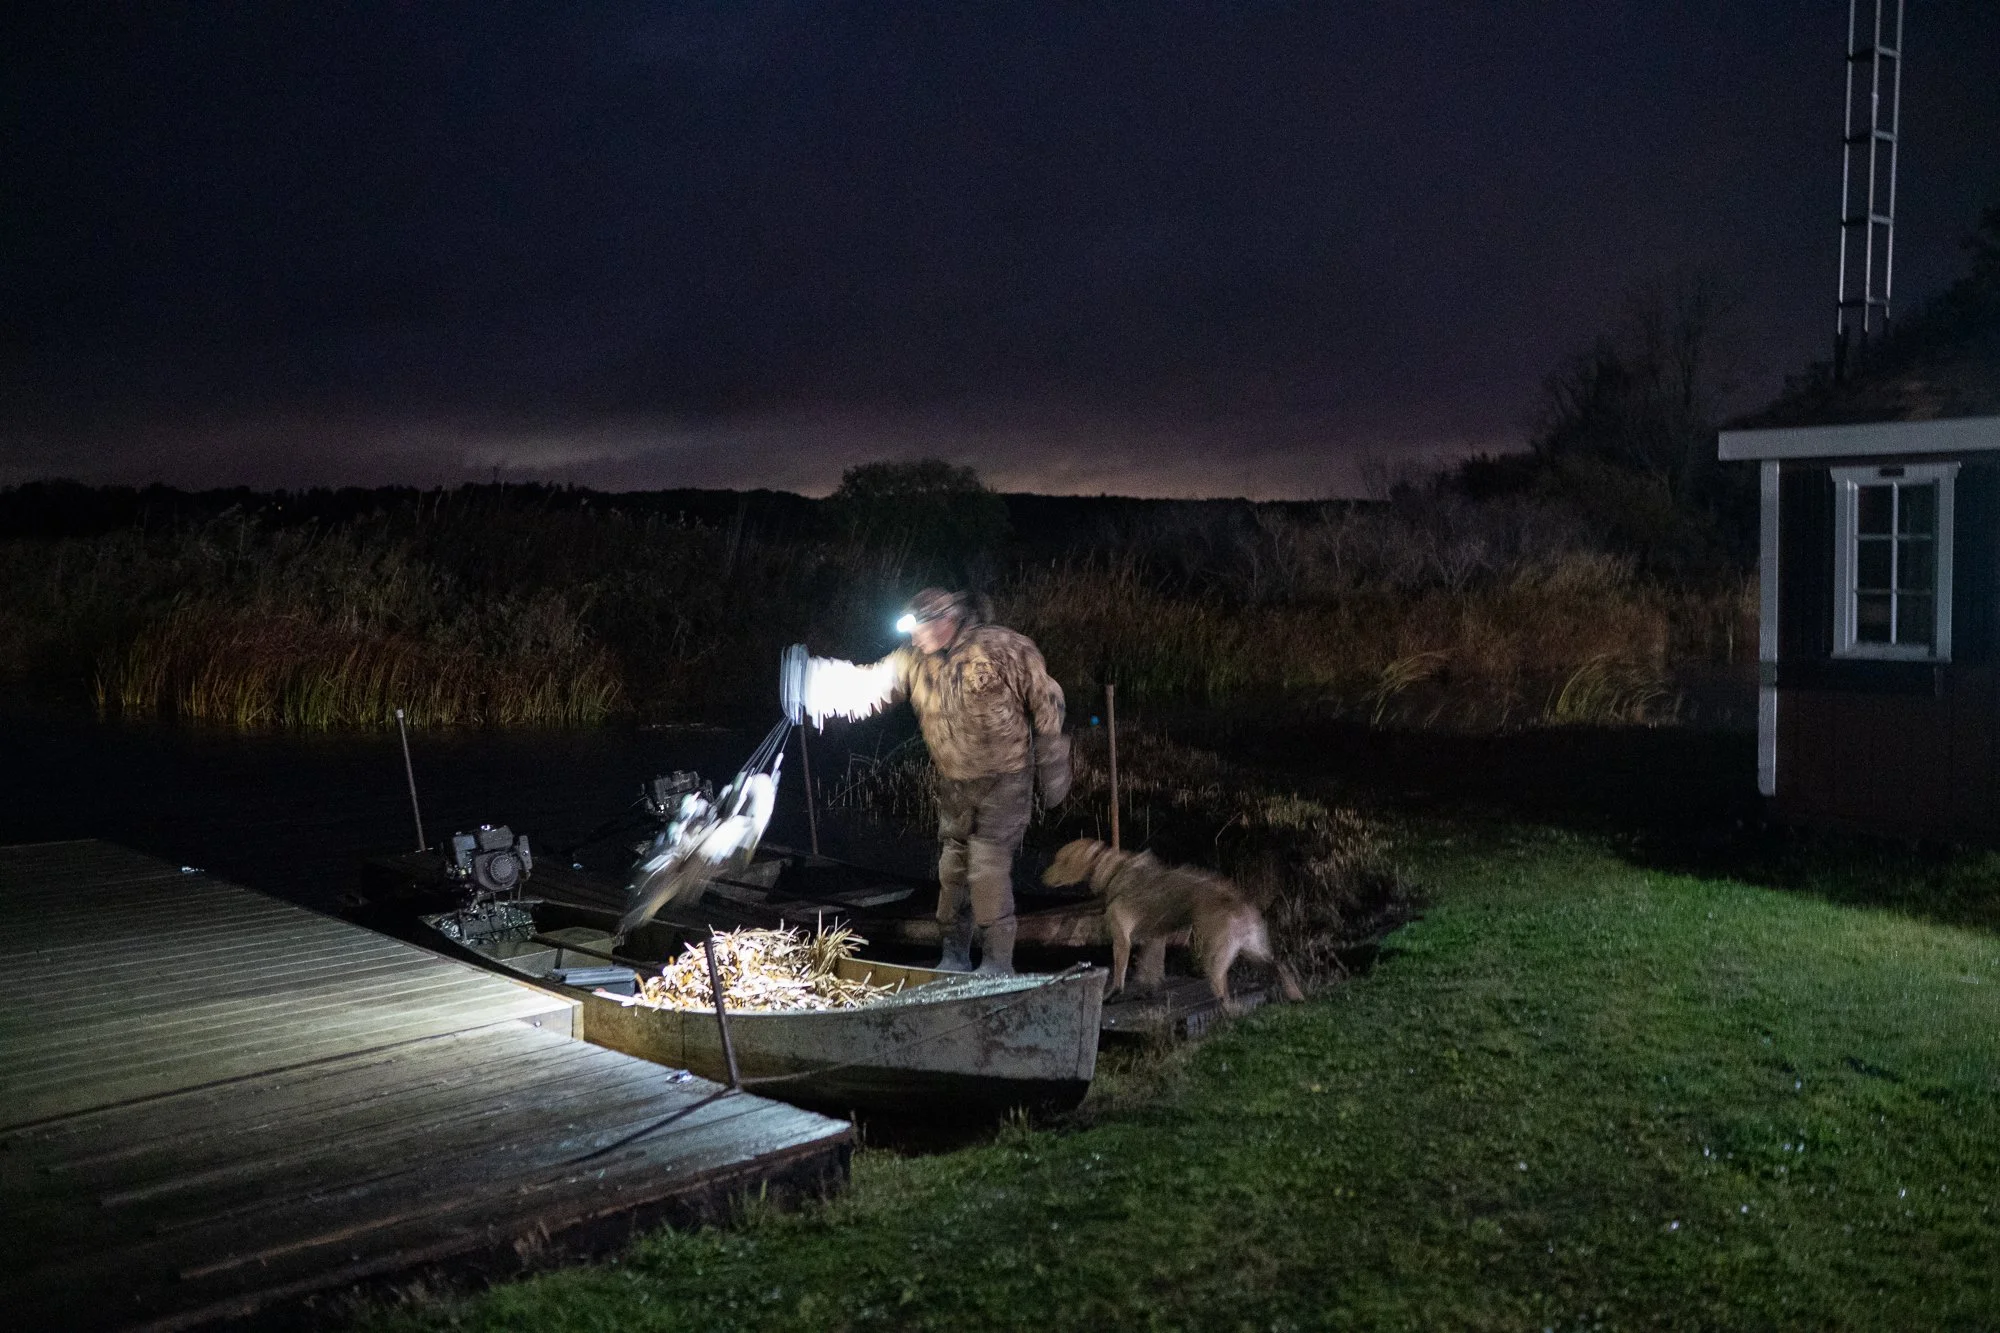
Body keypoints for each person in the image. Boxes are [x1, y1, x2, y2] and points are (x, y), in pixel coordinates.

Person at [792, 587, 1070, 974]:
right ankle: (954, 955)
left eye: (918, 628)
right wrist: (811, 683)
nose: (912, 637)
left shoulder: (1002, 648)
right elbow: (867, 684)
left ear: (945, 621)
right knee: (953, 870)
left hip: (1005, 781)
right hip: (955, 783)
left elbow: (1046, 699)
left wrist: (1053, 763)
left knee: (986, 866)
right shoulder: (913, 661)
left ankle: (996, 963)